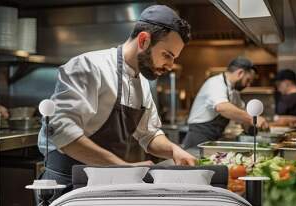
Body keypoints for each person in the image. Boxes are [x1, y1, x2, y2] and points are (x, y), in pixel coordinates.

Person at [37, 5, 196, 193]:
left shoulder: (142, 84)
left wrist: (173, 150)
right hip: (68, 182)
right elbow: (62, 131)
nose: (170, 65)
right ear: (144, 40)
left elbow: (149, 133)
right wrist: (121, 168)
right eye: (167, 55)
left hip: (109, 182)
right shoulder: (89, 67)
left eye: (174, 58)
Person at [183, 57, 269, 149]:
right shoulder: (215, 83)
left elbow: (242, 114)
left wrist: (254, 130)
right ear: (240, 73)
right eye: (248, 80)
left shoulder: (234, 92)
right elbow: (222, 107)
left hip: (213, 139)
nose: (248, 85)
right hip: (198, 138)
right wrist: (252, 119)